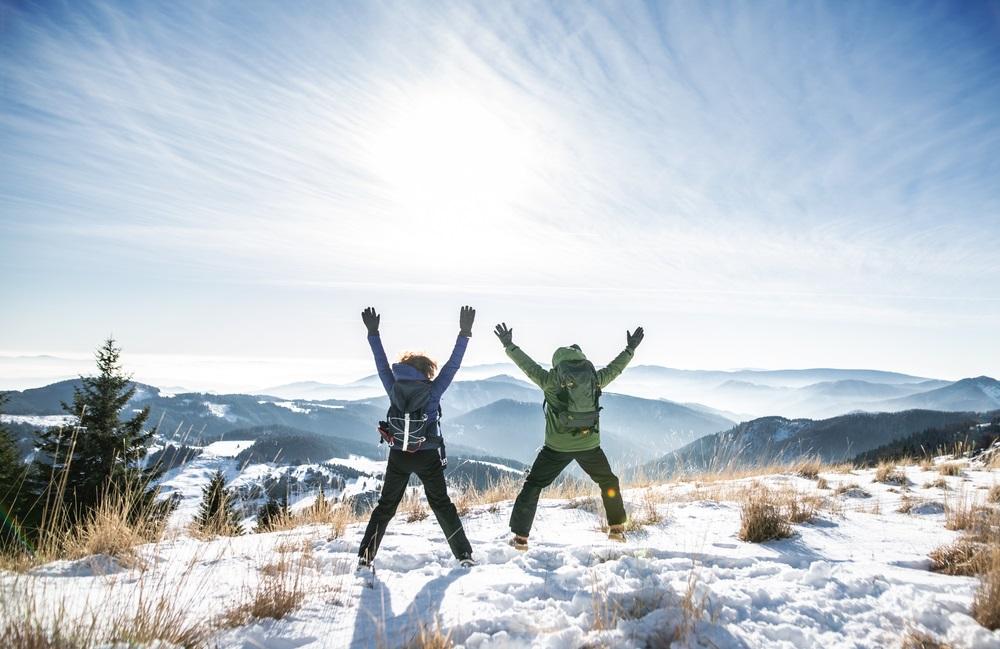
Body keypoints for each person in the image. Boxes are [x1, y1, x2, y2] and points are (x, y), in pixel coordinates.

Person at [493, 321, 644, 550]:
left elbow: (529, 366)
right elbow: (615, 369)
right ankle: (616, 529)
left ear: (558, 363)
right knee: (608, 481)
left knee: (533, 485)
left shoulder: (551, 381)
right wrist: (630, 349)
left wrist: (509, 345)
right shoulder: (593, 378)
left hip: (556, 447)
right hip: (589, 445)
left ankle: (521, 537)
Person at [356, 305, 477, 569]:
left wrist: (373, 333)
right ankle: (464, 556)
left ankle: (365, 558)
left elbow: (380, 364)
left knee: (385, 506)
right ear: (426, 371)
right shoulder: (432, 391)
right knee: (441, 505)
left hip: (399, 454)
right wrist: (464, 333)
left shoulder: (393, 387)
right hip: (427, 455)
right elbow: (453, 365)